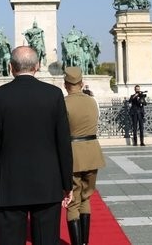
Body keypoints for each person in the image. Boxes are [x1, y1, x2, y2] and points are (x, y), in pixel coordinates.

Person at [0, 46, 73, 245]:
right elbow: (63, 143)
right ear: (38, 66)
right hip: (48, 183)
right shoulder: (54, 94)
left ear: (10, 67)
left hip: (9, 183)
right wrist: (67, 184)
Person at [63, 66, 105, 245]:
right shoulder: (93, 101)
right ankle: (85, 243)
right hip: (92, 153)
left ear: (66, 84)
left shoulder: (63, 103)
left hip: (72, 153)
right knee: (86, 197)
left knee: (72, 201)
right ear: (81, 83)